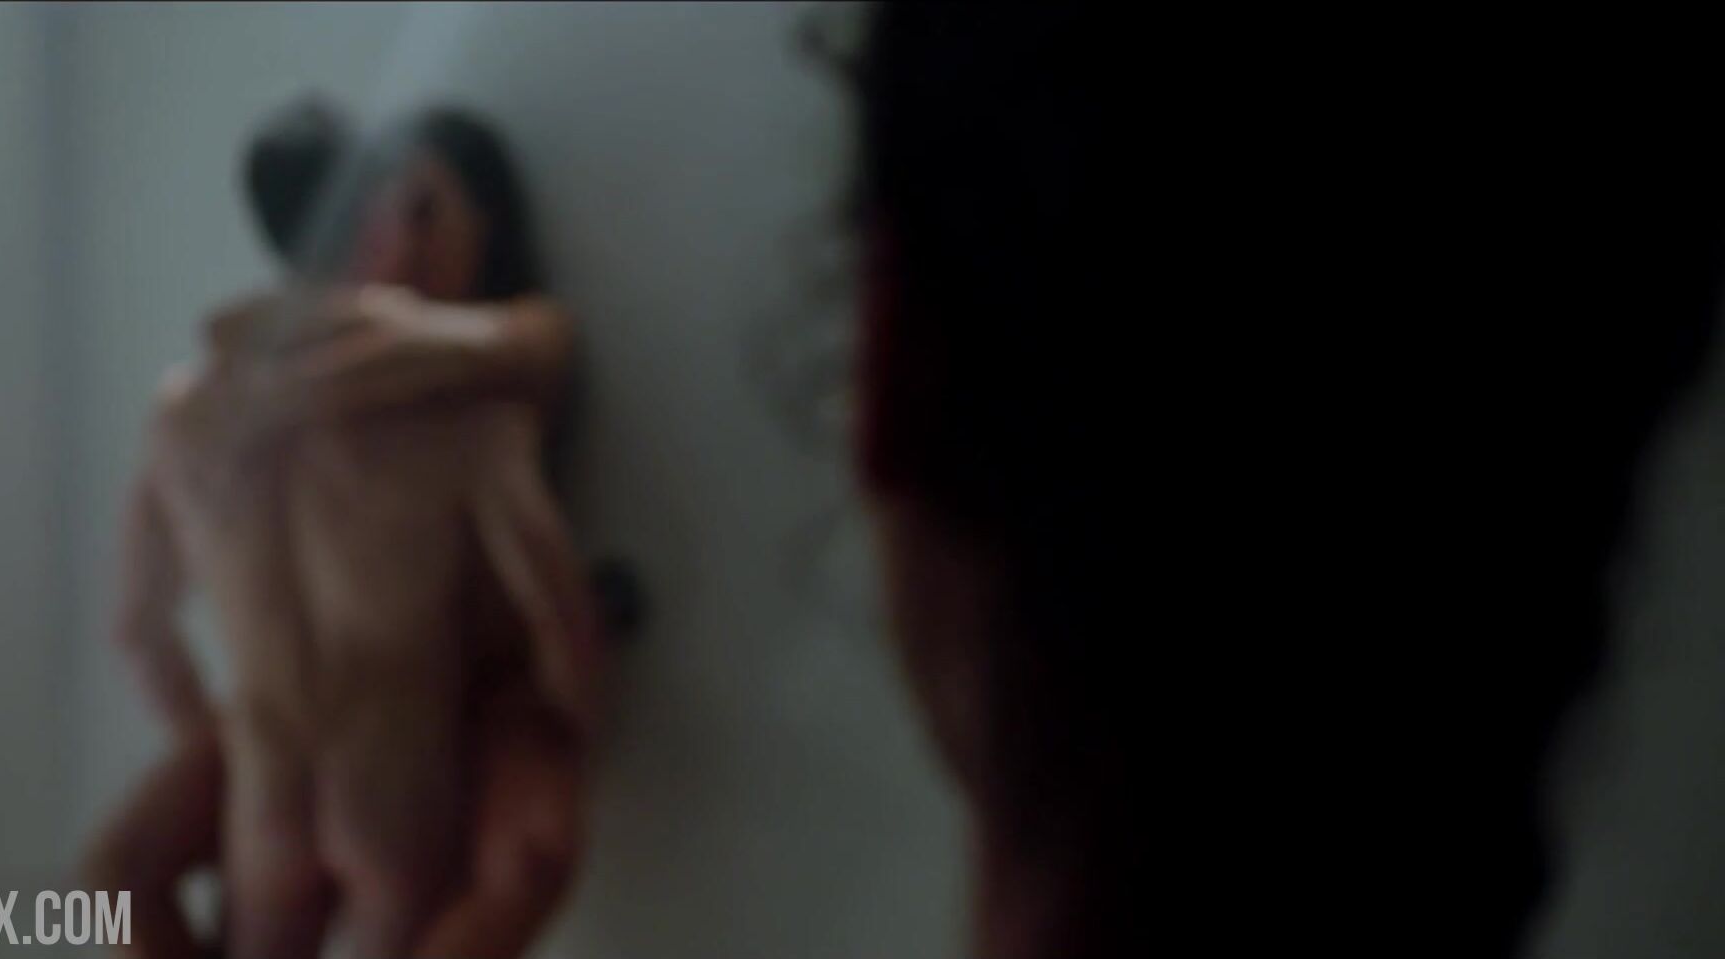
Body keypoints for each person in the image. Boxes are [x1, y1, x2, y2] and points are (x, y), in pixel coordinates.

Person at [94, 7, 1725, 958]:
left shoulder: (355, 409)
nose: (388, 240)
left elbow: (209, 617)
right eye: (377, 211)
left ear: (893, 376)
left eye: (423, 208)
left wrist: (525, 679)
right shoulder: (295, 410)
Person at [85, 102, 603, 959]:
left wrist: (232, 736)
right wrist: (573, 722)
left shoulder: (190, 413)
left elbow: (137, 632)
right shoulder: (471, 416)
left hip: (266, 795)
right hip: (393, 782)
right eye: (405, 207)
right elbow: (561, 616)